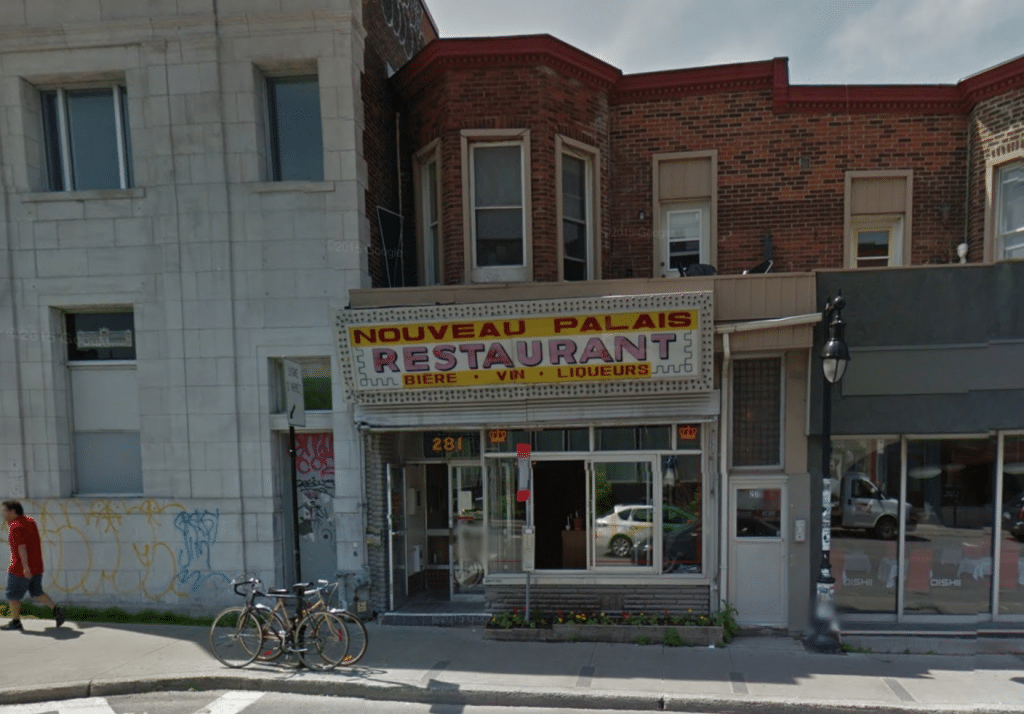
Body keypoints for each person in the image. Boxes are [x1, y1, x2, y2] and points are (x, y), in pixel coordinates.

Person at [2, 500, 64, 630]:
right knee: (36, 591)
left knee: (12, 595)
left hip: (20, 568)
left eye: (4, 511)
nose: (2, 514)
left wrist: (25, 567)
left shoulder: (15, 526)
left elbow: (22, 548)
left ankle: (15, 622)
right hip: (36, 566)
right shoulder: (30, 521)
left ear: (13, 511)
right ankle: (56, 610)